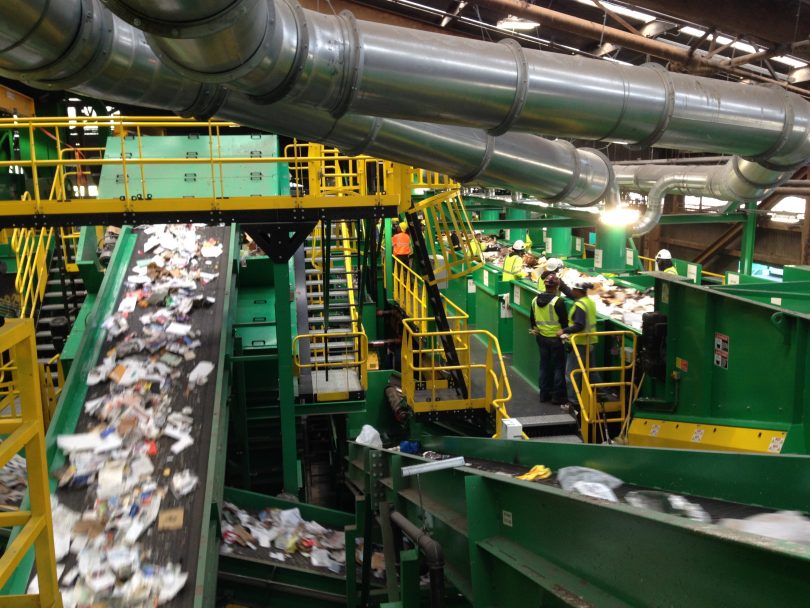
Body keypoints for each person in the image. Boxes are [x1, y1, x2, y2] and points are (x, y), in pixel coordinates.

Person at [558, 279, 598, 412]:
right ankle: (600, 394)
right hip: (590, 341)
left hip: (579, 343)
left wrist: (564, 331)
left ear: (578, 291)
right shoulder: (590, 302)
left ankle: (573, 403)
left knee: (571, 374)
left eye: (573, 289)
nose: (572, 291)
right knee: (590, 372)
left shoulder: (580, 305)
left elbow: (579, 325)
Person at [530, 273, 569, 404]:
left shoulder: (535, 300)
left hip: (541, 338)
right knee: (559, 367)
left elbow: (532, 320)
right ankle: (557, 396)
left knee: (544, 365)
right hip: (556, 339)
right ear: (557, 286)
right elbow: (564, 323)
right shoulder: (558, 302)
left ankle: (544, 394)